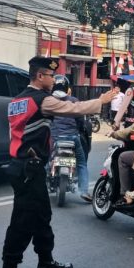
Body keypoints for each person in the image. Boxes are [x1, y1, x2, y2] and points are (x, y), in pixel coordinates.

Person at [0, 57, 115, 268]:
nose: (54, 79)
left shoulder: (17, 100)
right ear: (40, 76)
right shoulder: (42, 100)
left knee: (42, 217)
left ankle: (46, 264)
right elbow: (73, 109)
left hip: (24, 166)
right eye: (51, 75)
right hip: (28, 168)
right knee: (22, 221)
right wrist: (100, 101)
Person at [50, 74, 92, 203]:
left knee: (45, 157)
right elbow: (80, 120)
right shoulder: (74, 100)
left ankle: (46, 174)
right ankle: (84, 191)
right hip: (73, 137)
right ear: (67, 88)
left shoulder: (48, 101)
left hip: (55, 137)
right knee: (81, 163)